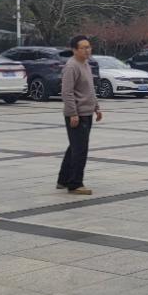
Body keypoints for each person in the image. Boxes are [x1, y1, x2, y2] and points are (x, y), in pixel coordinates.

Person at [57, 35, 102, 195]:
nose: (87, 50)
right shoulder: (71, 66)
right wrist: (73, 113)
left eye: (88, 47)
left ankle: (63, 180)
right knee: (80, 150)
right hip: (77, 114)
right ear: (74, 50)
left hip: (87, 112)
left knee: (74, 147)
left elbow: (89, 89)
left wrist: (96, 107)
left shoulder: (85, 64)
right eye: (83, 48)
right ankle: (75, 184)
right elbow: (67, 92)